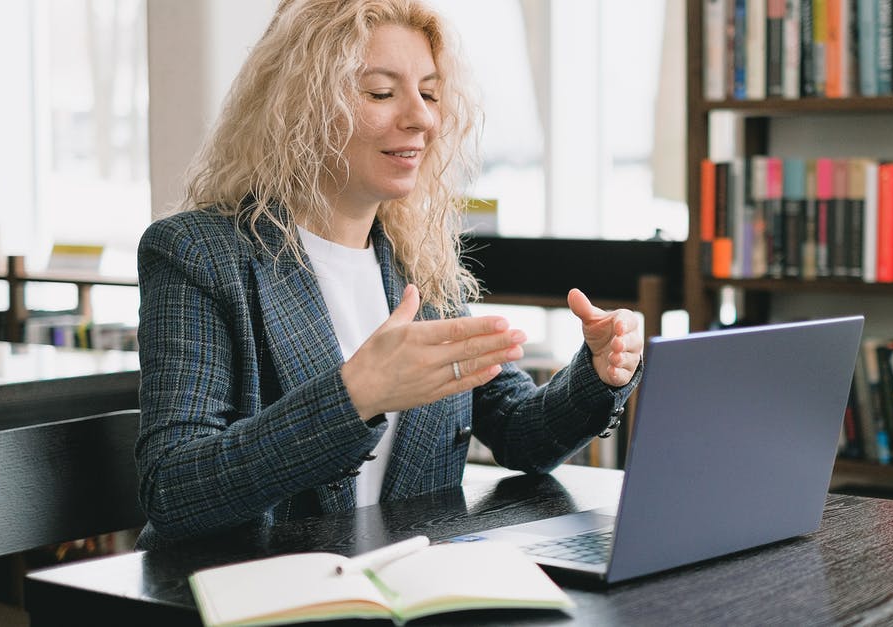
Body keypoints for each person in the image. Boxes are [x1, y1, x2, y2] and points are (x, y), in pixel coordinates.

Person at [134, 0, 643, 550]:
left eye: (428, 93)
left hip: (406, 587)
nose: (421, 118)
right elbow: (175, 488)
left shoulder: (416, 259)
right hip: (251, 593)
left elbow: (520, 433)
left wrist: (596, 373)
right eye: (381, 92)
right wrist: (356, 395)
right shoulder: (196, 252)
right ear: (301, 107)